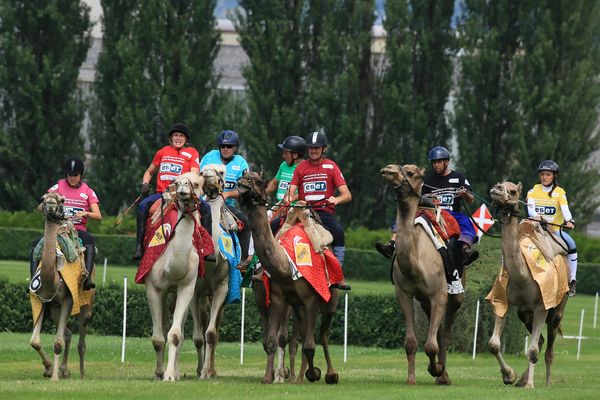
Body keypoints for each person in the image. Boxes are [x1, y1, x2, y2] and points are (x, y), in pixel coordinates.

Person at [286, 131, 352, 290]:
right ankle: (263, 268)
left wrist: (336, 199)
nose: (313, 151)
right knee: (274, 225)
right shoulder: (301, 167)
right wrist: (290, 198)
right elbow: (291, 191)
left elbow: (347, 195)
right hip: (302, 212)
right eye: (310, 148)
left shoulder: (332, 166)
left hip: (323, 213)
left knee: (339, 231)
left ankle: (339, 273)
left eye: (317, 148)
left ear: (324, 149)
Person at [133, 123, 206, 260]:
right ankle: (139, 247)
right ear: (171, 138)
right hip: (162, 193)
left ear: (186, 139)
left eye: (181, 136)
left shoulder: (191, 152)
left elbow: (194, 173)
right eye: (176, 135)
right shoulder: (162, 151)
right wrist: (145, 183)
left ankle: (208, 249)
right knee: (143, 206)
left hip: (183, 194)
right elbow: (149, 171)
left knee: (206, 207)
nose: (178, 138)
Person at [30, 158, 102, 290]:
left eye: (75, 175)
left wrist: (86, 213)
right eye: (70, 175)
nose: (72, 178)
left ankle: (87, 279)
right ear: (66, 174)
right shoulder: (57, 187)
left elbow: (98, 215)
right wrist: (47, 204)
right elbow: (40, 207)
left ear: (81, 175)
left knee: (90, 240)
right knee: (36, 244)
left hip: (77, 230)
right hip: (58, 229)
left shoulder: (88, 191)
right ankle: (34, 280)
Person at [200, 130, 252, 270]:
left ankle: (242, 262)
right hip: (204, 202)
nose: (225, 149)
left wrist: (227, 195)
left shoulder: (241, 163)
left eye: (229, 146)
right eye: (222, 146)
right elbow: (198, 177)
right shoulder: (210, 157)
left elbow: (244, 188)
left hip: (227, 205)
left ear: (235, 148)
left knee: (245, 222)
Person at [526, 160, 578, 297]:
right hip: (535, 229)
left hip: (554, 231)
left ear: (554, 176)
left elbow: (565, 210)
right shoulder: (533, 191)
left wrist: (569, 220)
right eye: (542, 174)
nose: (544, 177)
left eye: (548, 174)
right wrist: (537, 217)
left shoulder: (560, 193)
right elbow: (531, 210)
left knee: (572, 245)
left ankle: (572, 280)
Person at [266, 135, 306, 234]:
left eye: (286, 153)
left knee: (271, 227)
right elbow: (274, 183)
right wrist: (262, 194)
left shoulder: (305, 168)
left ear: (295, 155)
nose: (283, 156)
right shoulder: (283, 165)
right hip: (279, 206)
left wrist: (292, 198)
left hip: (294, 208)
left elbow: (308, 193)